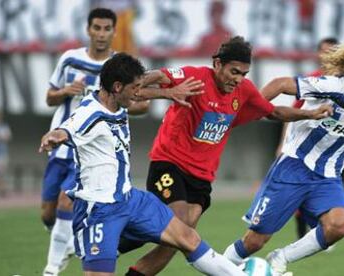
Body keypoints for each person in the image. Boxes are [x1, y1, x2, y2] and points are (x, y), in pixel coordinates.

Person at [122, 36, 333, 276]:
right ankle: (114, 239)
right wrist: (166, 90)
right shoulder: (195, 76)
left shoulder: (244, 90)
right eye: (234, 71)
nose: (238, 79)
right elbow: (158, 76)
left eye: (244, 73)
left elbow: (273, 111)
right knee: (179, 227)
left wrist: (310, 114)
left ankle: (120, 244)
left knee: (176, 240)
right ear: (217, 64)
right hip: (169, 163)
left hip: (201, 176)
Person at [39, 52, 250, 276]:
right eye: (135, 88)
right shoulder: (91, 113)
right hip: (99, 210)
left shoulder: (115, 101)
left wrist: (168, 92)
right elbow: (68, 128)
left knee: (187, 237)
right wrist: (55, 135)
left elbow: (142, 93)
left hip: (130, 200)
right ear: (118, 87)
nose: (139, 94)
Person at [223, 36, 344, 276]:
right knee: (255, 241)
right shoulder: (331, 85)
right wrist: (238, 111)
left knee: (339, 225)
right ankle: (219, 268)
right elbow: (279, 84)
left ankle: (281, 258)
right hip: (295, 166)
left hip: (328, 174)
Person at [41, 8, 149, 276]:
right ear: (88, 29)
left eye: (106, 29)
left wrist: (120, 105)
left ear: (114, 31)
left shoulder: (119, 67)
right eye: (97, 28)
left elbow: (139, 104)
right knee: (48, 212)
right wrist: (66, 91)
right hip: (61, 141)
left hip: (89, 148)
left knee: (67, 199)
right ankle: (66, 242)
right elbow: (49, 98)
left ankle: (51, 269)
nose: (101, 34)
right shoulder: (69, 59)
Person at [276, 37, 341, 240]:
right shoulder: (310, 81)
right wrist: (283, 143)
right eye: (324, 51)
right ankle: (303, 235)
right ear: (318, 54)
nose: (327, 56)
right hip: (306, 147)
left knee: (331, 195)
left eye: (332, 51)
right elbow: (291, 113)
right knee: (299, 191)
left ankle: (324, 232)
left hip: (334, 149)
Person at [0, 111, 11, 197]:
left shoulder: (4, 126)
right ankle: (1, 189)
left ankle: (2, 190)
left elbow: (7, 137)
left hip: (2, 153)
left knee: (1, 172)